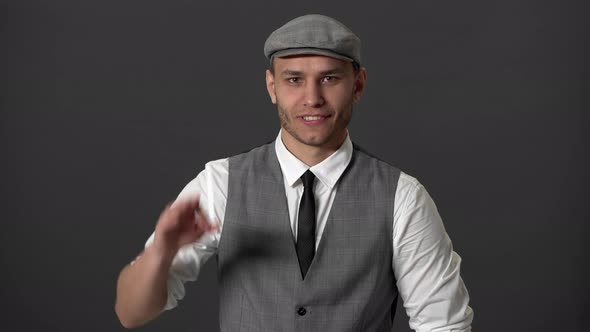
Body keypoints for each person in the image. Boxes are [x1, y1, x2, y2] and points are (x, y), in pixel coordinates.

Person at [115, 14, 474, 331]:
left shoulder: (403, 198)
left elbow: (444, 325)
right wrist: (160, 253)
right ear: (272, 87)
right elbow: (131, 314)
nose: (312, 98)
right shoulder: (220, 183)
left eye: (330, 78)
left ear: (358, 84)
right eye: (294, 80)